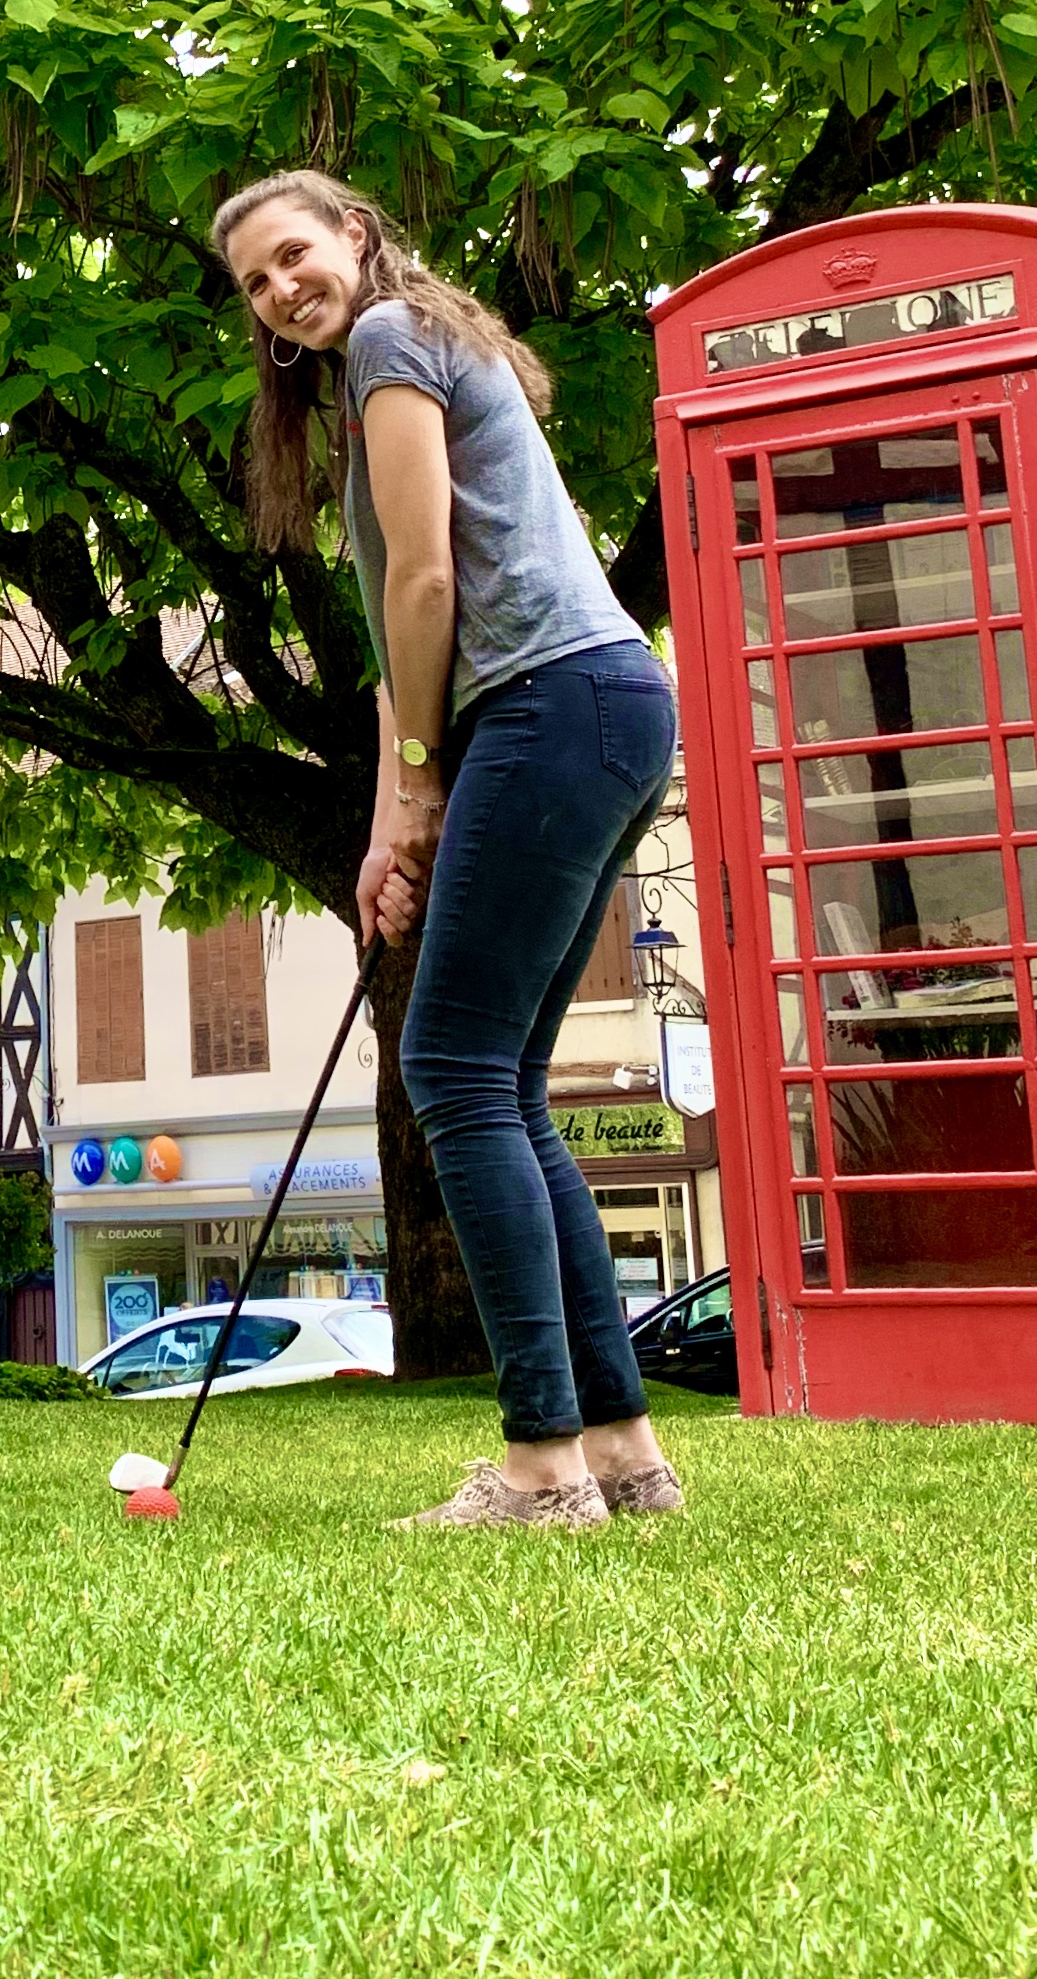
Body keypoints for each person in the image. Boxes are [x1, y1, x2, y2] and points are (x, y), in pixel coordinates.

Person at [212, 170, 684, 1534]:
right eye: (255, 281)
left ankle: (539, 1465)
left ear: (353, 232)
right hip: (584, 703)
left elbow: (430, 583)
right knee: (506, 1086)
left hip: (547, 702)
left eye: (293, 253)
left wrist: (425, 779)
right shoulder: (404, 350)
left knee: (453, 1070)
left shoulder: (384, 340)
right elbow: (394, 639)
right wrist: (385, 824)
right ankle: (622, 1452)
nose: (283, 288)